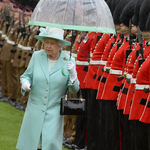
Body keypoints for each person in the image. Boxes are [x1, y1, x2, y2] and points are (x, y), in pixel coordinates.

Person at [16, 26, 80, 150]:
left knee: (49, 143)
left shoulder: (69, 60)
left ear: (60, 45)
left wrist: (73, 74)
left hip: (54, 112)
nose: (48, 46)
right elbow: (26, 76)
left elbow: (74, 90)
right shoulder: (37, 56)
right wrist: (25, 83)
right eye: (46, 42)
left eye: (52, 43)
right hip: (34, 108)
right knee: (31, 144)